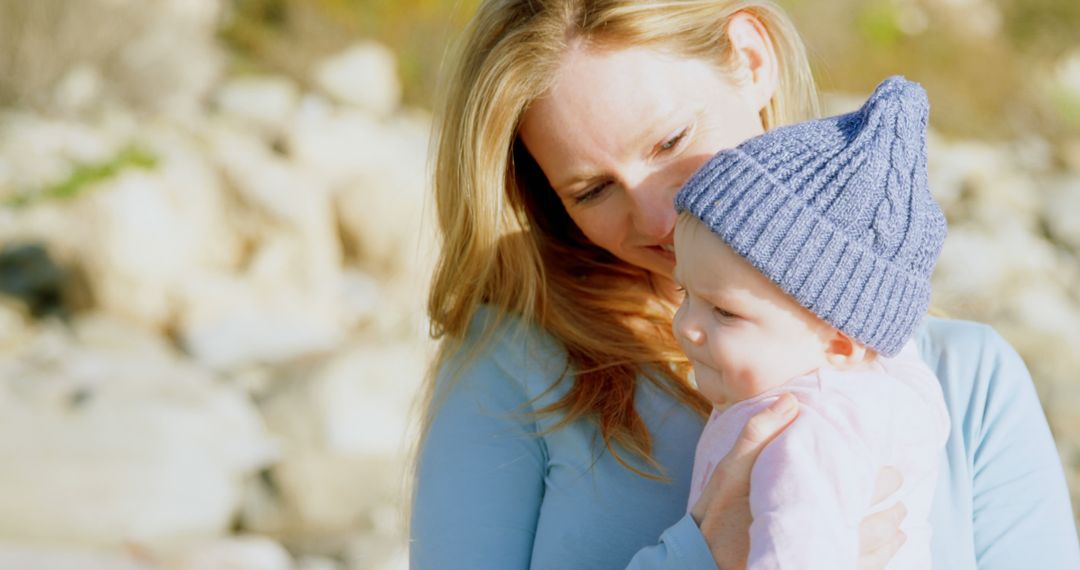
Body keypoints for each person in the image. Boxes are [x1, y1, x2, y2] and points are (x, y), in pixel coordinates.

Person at [409, 1, 1080, 568]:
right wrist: (706, 552)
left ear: (752, 62)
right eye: (592, 190)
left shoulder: (968, 382)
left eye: (670, 140)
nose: (655, 217)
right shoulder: (515, 368)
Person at [673, 75, 950, 569]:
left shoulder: (809, 430)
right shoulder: (875, 386)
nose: (685, 327)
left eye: (724, 312)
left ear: (841, 344)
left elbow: (795, 550)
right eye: (684, 294)